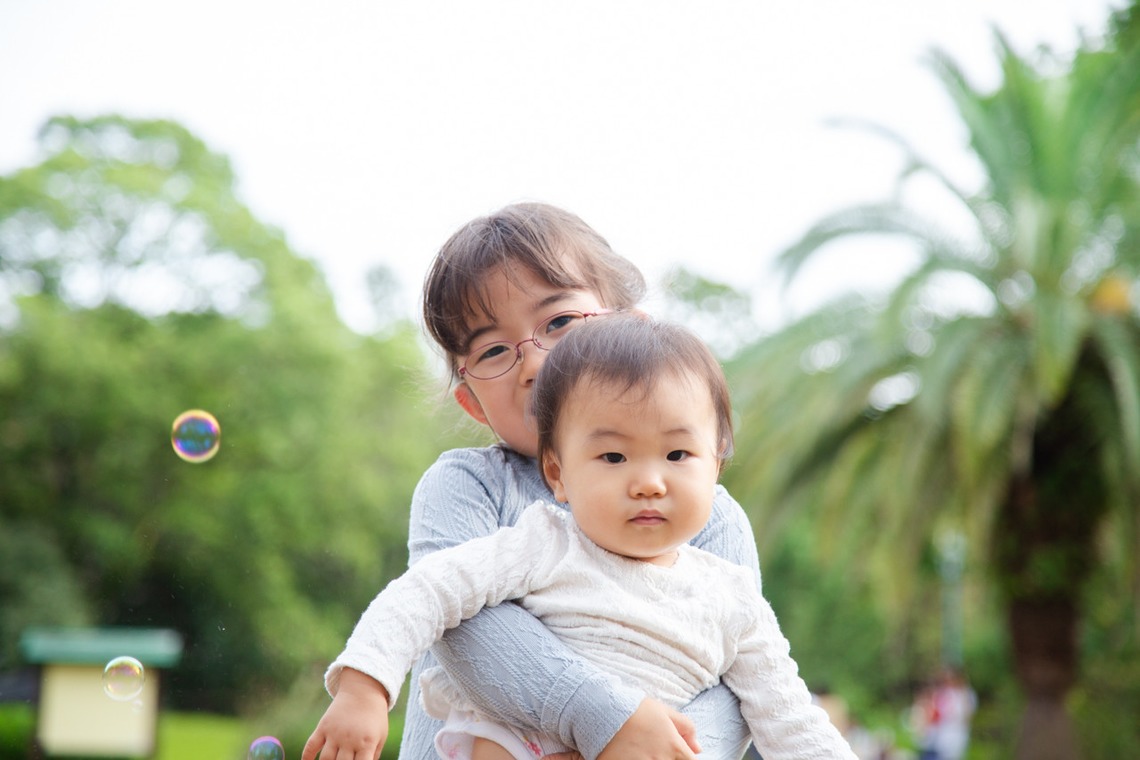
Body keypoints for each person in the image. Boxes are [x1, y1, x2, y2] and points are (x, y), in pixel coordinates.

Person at [304, 202, 761, 760]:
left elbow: (743, 684)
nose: (536, 363)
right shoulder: (466, 487)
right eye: (494, 350)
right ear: (472, 403)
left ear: (633, 331)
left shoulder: (707, 515)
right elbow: (468, 629)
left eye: (562, 322)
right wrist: (608, 720)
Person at [305, 315, 858, 760]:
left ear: (716, 464)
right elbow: (427, 590)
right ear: (558, 475)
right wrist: (364, 688)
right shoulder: (547, 543)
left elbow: (789, 720)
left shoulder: (734, 598)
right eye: (613, 456)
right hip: (518, 743)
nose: (648, 481)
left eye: (677, 454)